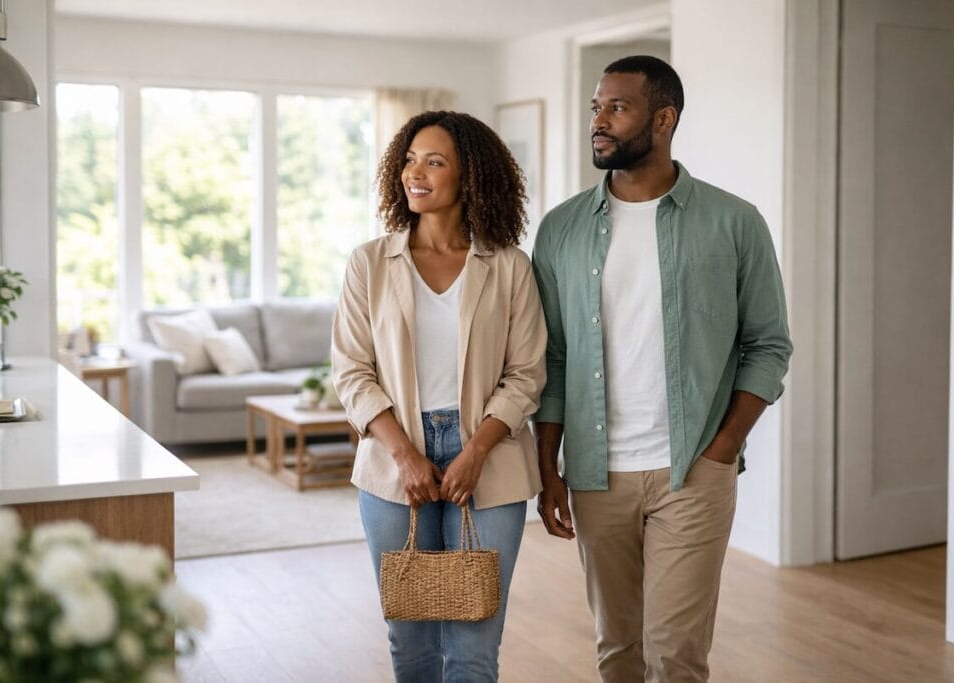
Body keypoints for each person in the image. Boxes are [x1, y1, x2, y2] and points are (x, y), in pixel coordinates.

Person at [532, 55, 793, 682]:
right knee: (616, 649)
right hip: (596, 473)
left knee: (677, 654)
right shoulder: (561, 230)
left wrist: (723, 449)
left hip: (693, 470)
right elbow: (555, 356)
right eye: (596, 107)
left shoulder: (734, 221)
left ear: (664, 118)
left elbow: (769, 344)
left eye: (616, 107)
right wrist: (549, 467)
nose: (599, 121)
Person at [331, 110, 547, 683]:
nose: (414, 173)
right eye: (408, 159)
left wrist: (474, 452)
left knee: (474, 645)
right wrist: (404, 454)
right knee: (412, 642)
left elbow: (527, 373)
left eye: (434, 161)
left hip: (491, 458)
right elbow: (351, 371)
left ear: (469, 176)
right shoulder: (370, 264)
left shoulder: (508, 267)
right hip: (392, 458)